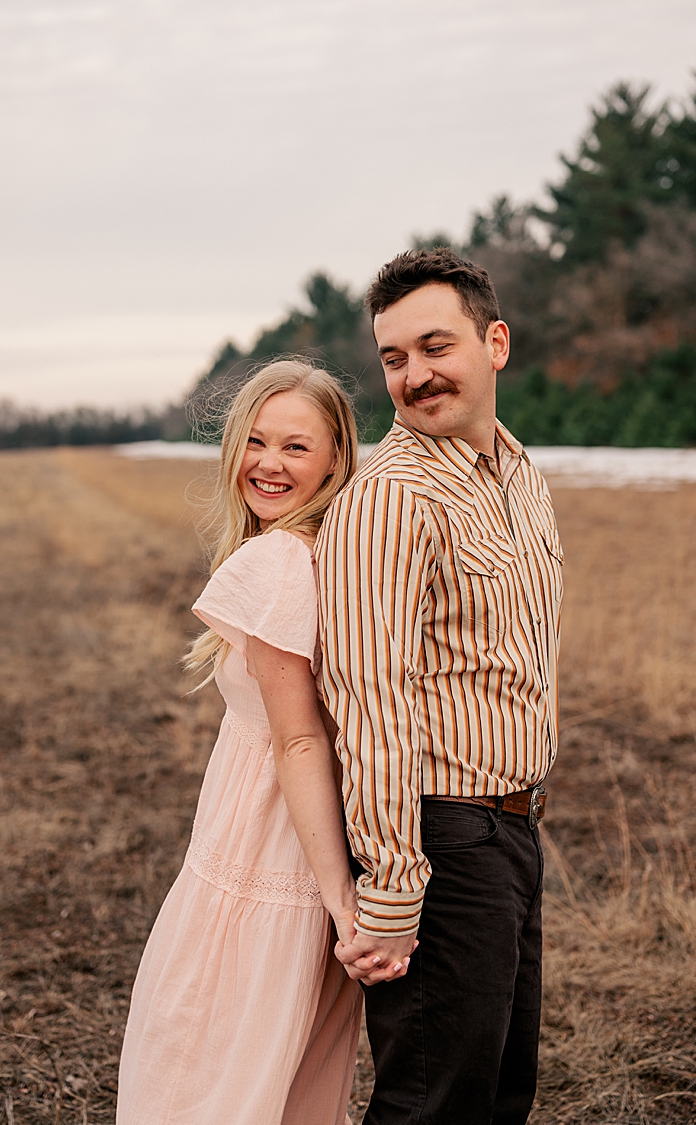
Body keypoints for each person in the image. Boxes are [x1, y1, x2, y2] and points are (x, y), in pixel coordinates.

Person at [318, 248, 563, 1124]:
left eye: (434, 346)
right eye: (393, 357)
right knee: (434, 1104)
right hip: (441, 837)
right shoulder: (391, 497)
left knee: (500, 1094)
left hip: (514, 829)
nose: (414, 375)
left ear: (494, 341)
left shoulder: (519, 477)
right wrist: (390, 885)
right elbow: (368, 696)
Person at [118, 360, 367, 1124]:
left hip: (269, 850)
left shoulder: (280, 561)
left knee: (202, 1071)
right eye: (256, 441)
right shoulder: (322, 549)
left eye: (297, 447)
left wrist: (339, 902)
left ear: (336, 457)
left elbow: (298, 741)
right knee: (272, 1075)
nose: (268, 462)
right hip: (276, 842)